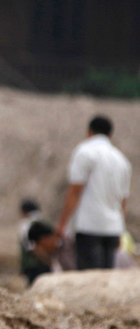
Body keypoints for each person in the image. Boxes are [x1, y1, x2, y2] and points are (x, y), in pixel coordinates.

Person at [55, 115, 132, 271]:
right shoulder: (122, 160)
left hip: (89, 226)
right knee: (106, 278)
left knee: (89, 275)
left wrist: (62, 224)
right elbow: (123, 200)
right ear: (110, 135)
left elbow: (75, 190)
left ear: (89, 131)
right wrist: (121, 230)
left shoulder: (85, 151)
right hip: (113, 228)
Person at [21, 220, 62, 284]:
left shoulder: (51, 259)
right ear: (43, 240)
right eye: (53, 238)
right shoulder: (34, 266)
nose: (56, 242)